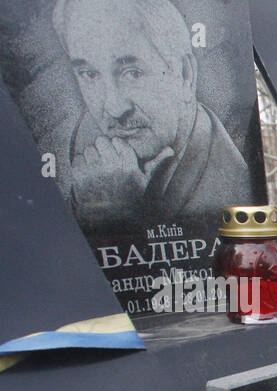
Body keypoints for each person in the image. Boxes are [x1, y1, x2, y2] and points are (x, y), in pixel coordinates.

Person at [53, 0, 248, 228]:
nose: (115, 108)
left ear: (185, 75)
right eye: (89, 74)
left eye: (132, 73)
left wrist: (111, 215)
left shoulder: (235, 185)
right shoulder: (85, 135)